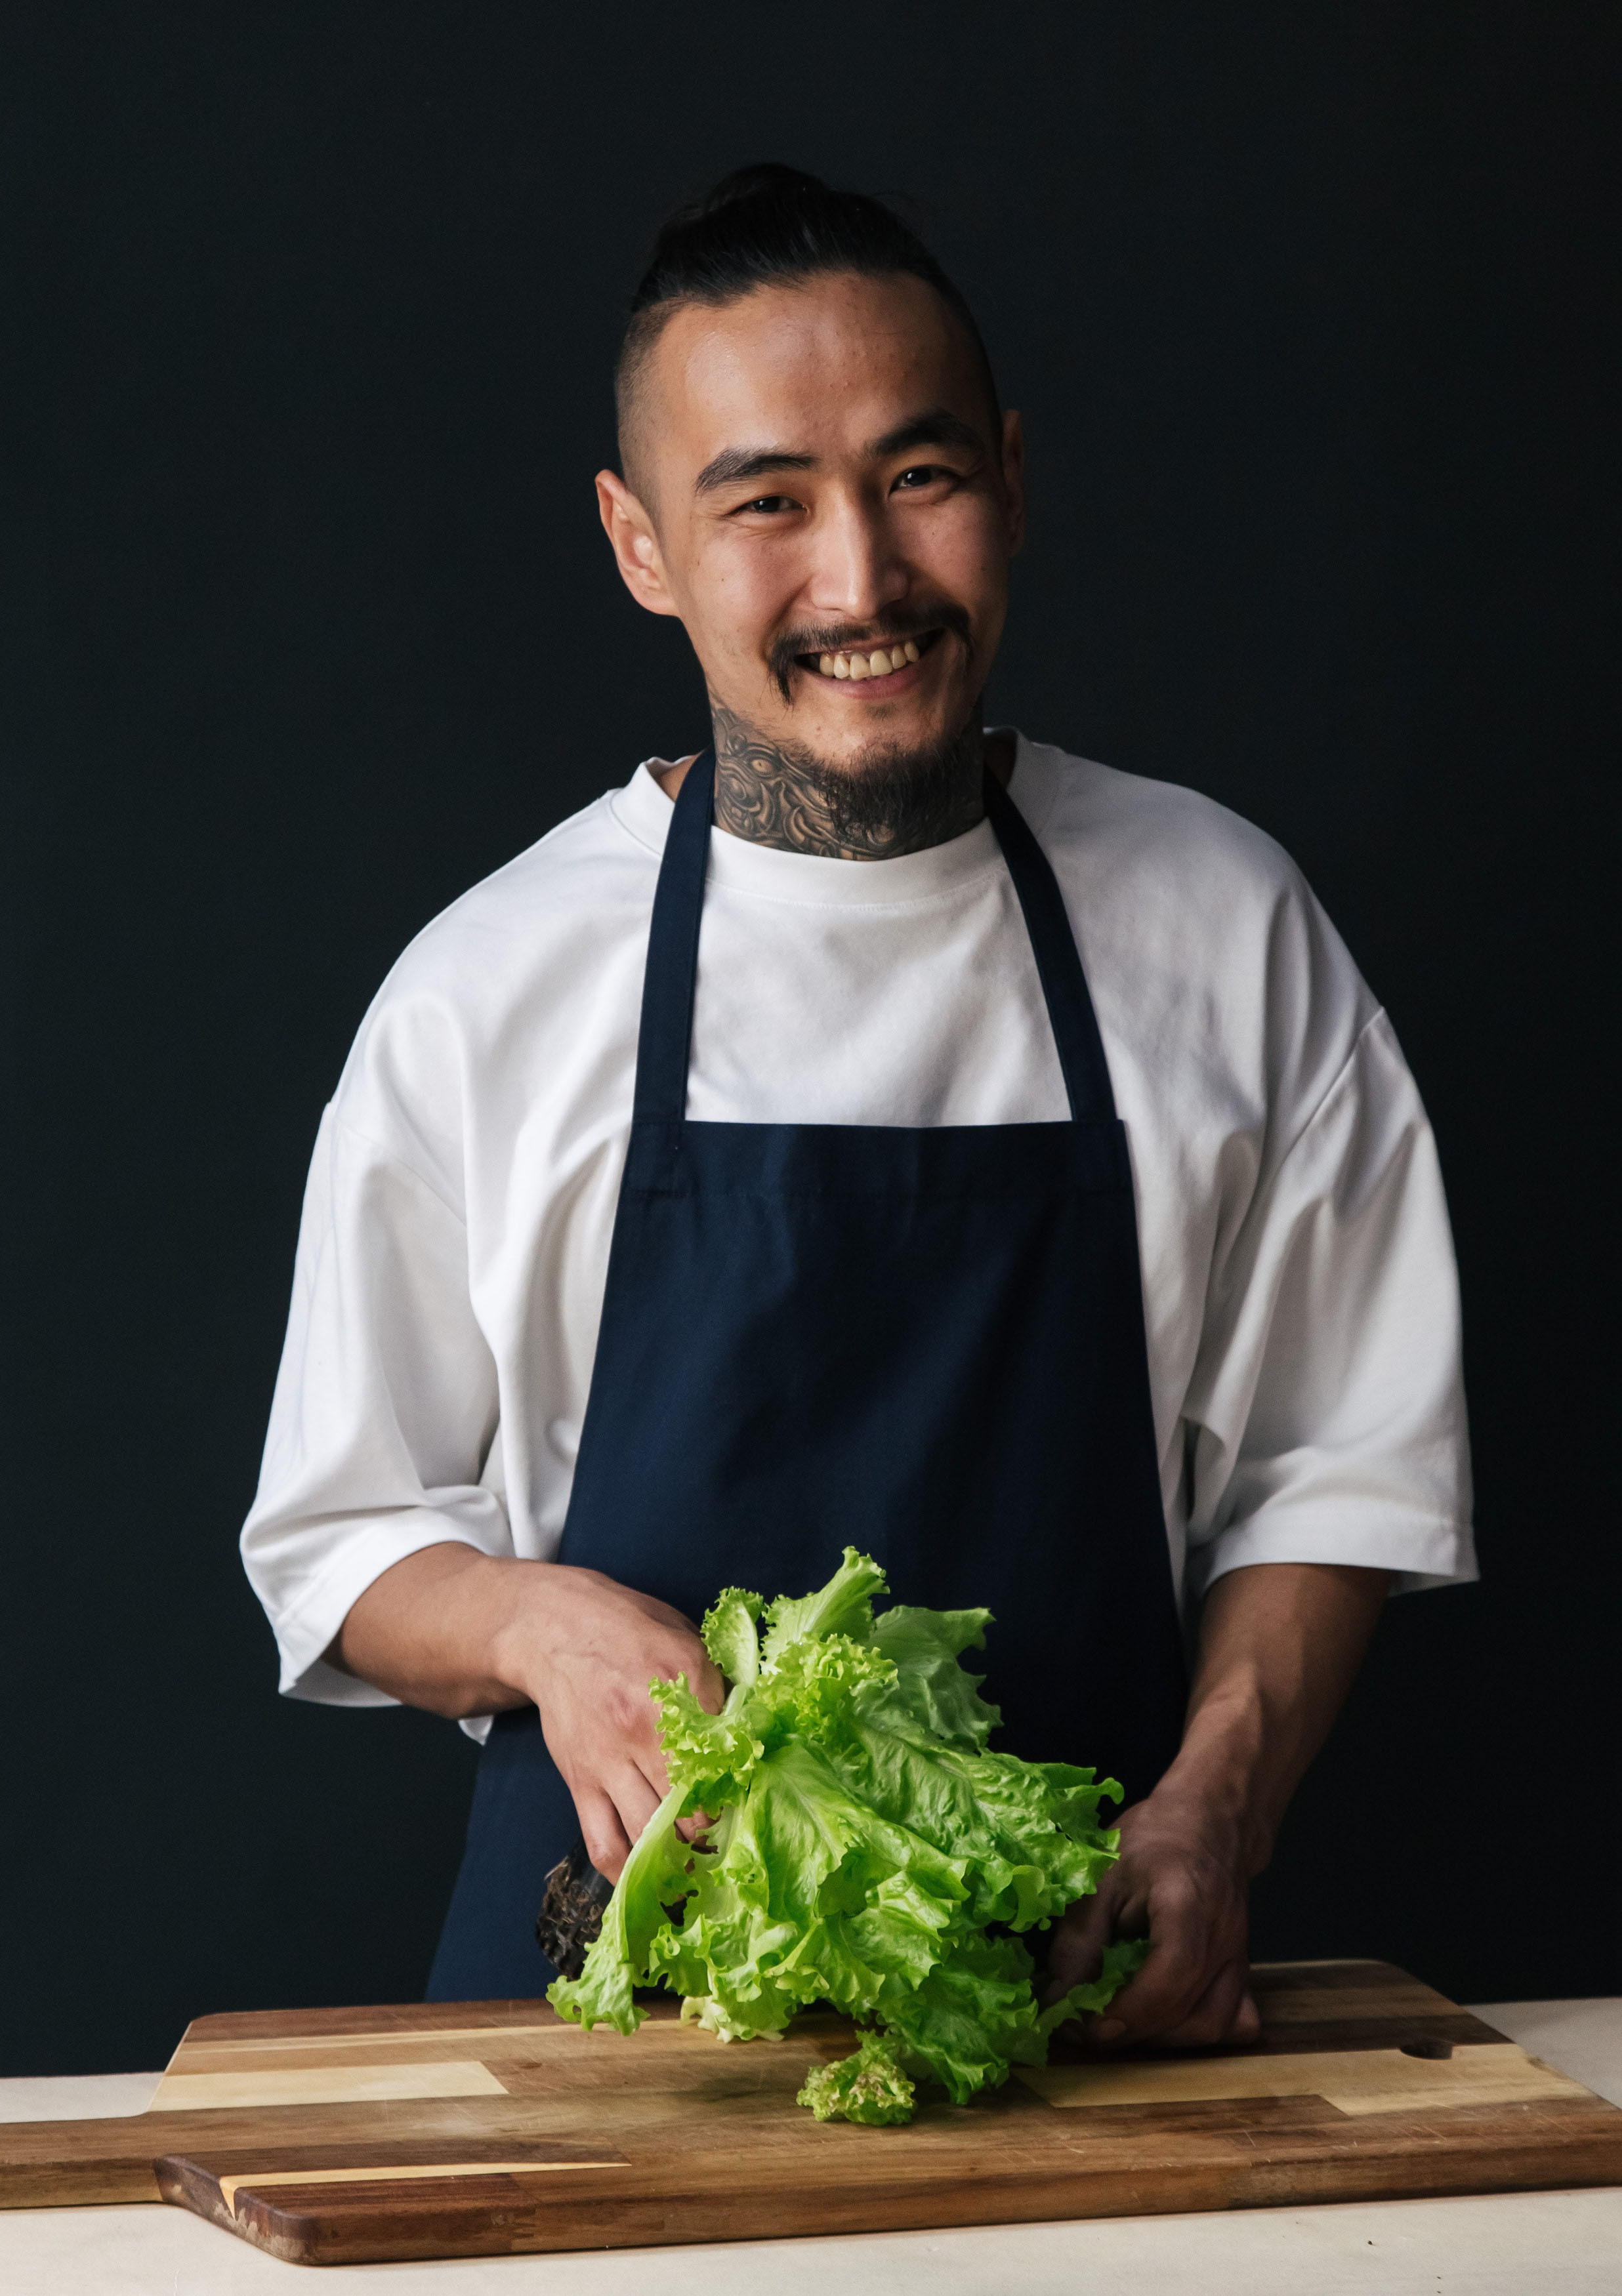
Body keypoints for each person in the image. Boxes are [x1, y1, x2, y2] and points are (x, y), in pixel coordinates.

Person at [241, 165, 1472, 2046]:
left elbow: (1339, 1460)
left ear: (1012, 478)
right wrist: (540, 1626)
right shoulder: (487, 991)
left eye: (920, 476)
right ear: (641, 543)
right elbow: (336, 1538)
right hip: (607, 2042)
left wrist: (1219, 1803)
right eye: (767, 503)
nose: (863, 581)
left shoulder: (1226, 929)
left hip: (1081, 2016)